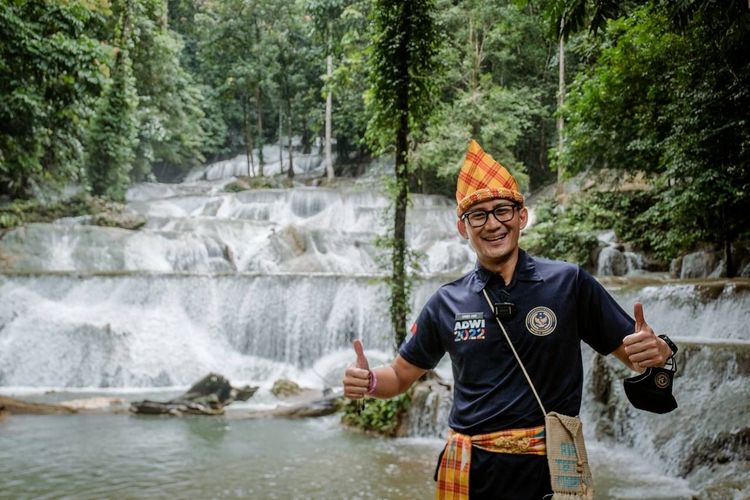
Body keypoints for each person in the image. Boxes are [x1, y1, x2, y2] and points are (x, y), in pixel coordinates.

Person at [342, 139, 675, 499]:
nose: (493, 224)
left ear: (522, 216)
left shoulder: (568, 283)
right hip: (471, 471)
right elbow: (401, 375)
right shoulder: (446, 302)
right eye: (478, 215)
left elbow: (637, 356)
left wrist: (656, 350)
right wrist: (370, 381)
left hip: (552, 467)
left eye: (502, 210)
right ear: (462, 228)